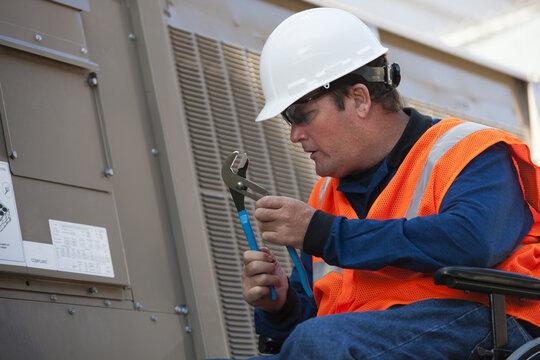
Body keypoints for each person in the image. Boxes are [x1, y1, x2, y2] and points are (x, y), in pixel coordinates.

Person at [224, 7, 540, 359]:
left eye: (301, 115)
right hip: (366, 342)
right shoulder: (325, 199)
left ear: (359, 99)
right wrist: (280, 307)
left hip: (488, 325)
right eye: (288, 119)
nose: (295, 134)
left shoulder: (467, 150)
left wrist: (326, 235)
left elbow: (472, 240)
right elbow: (310, 329)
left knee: (321, 342)